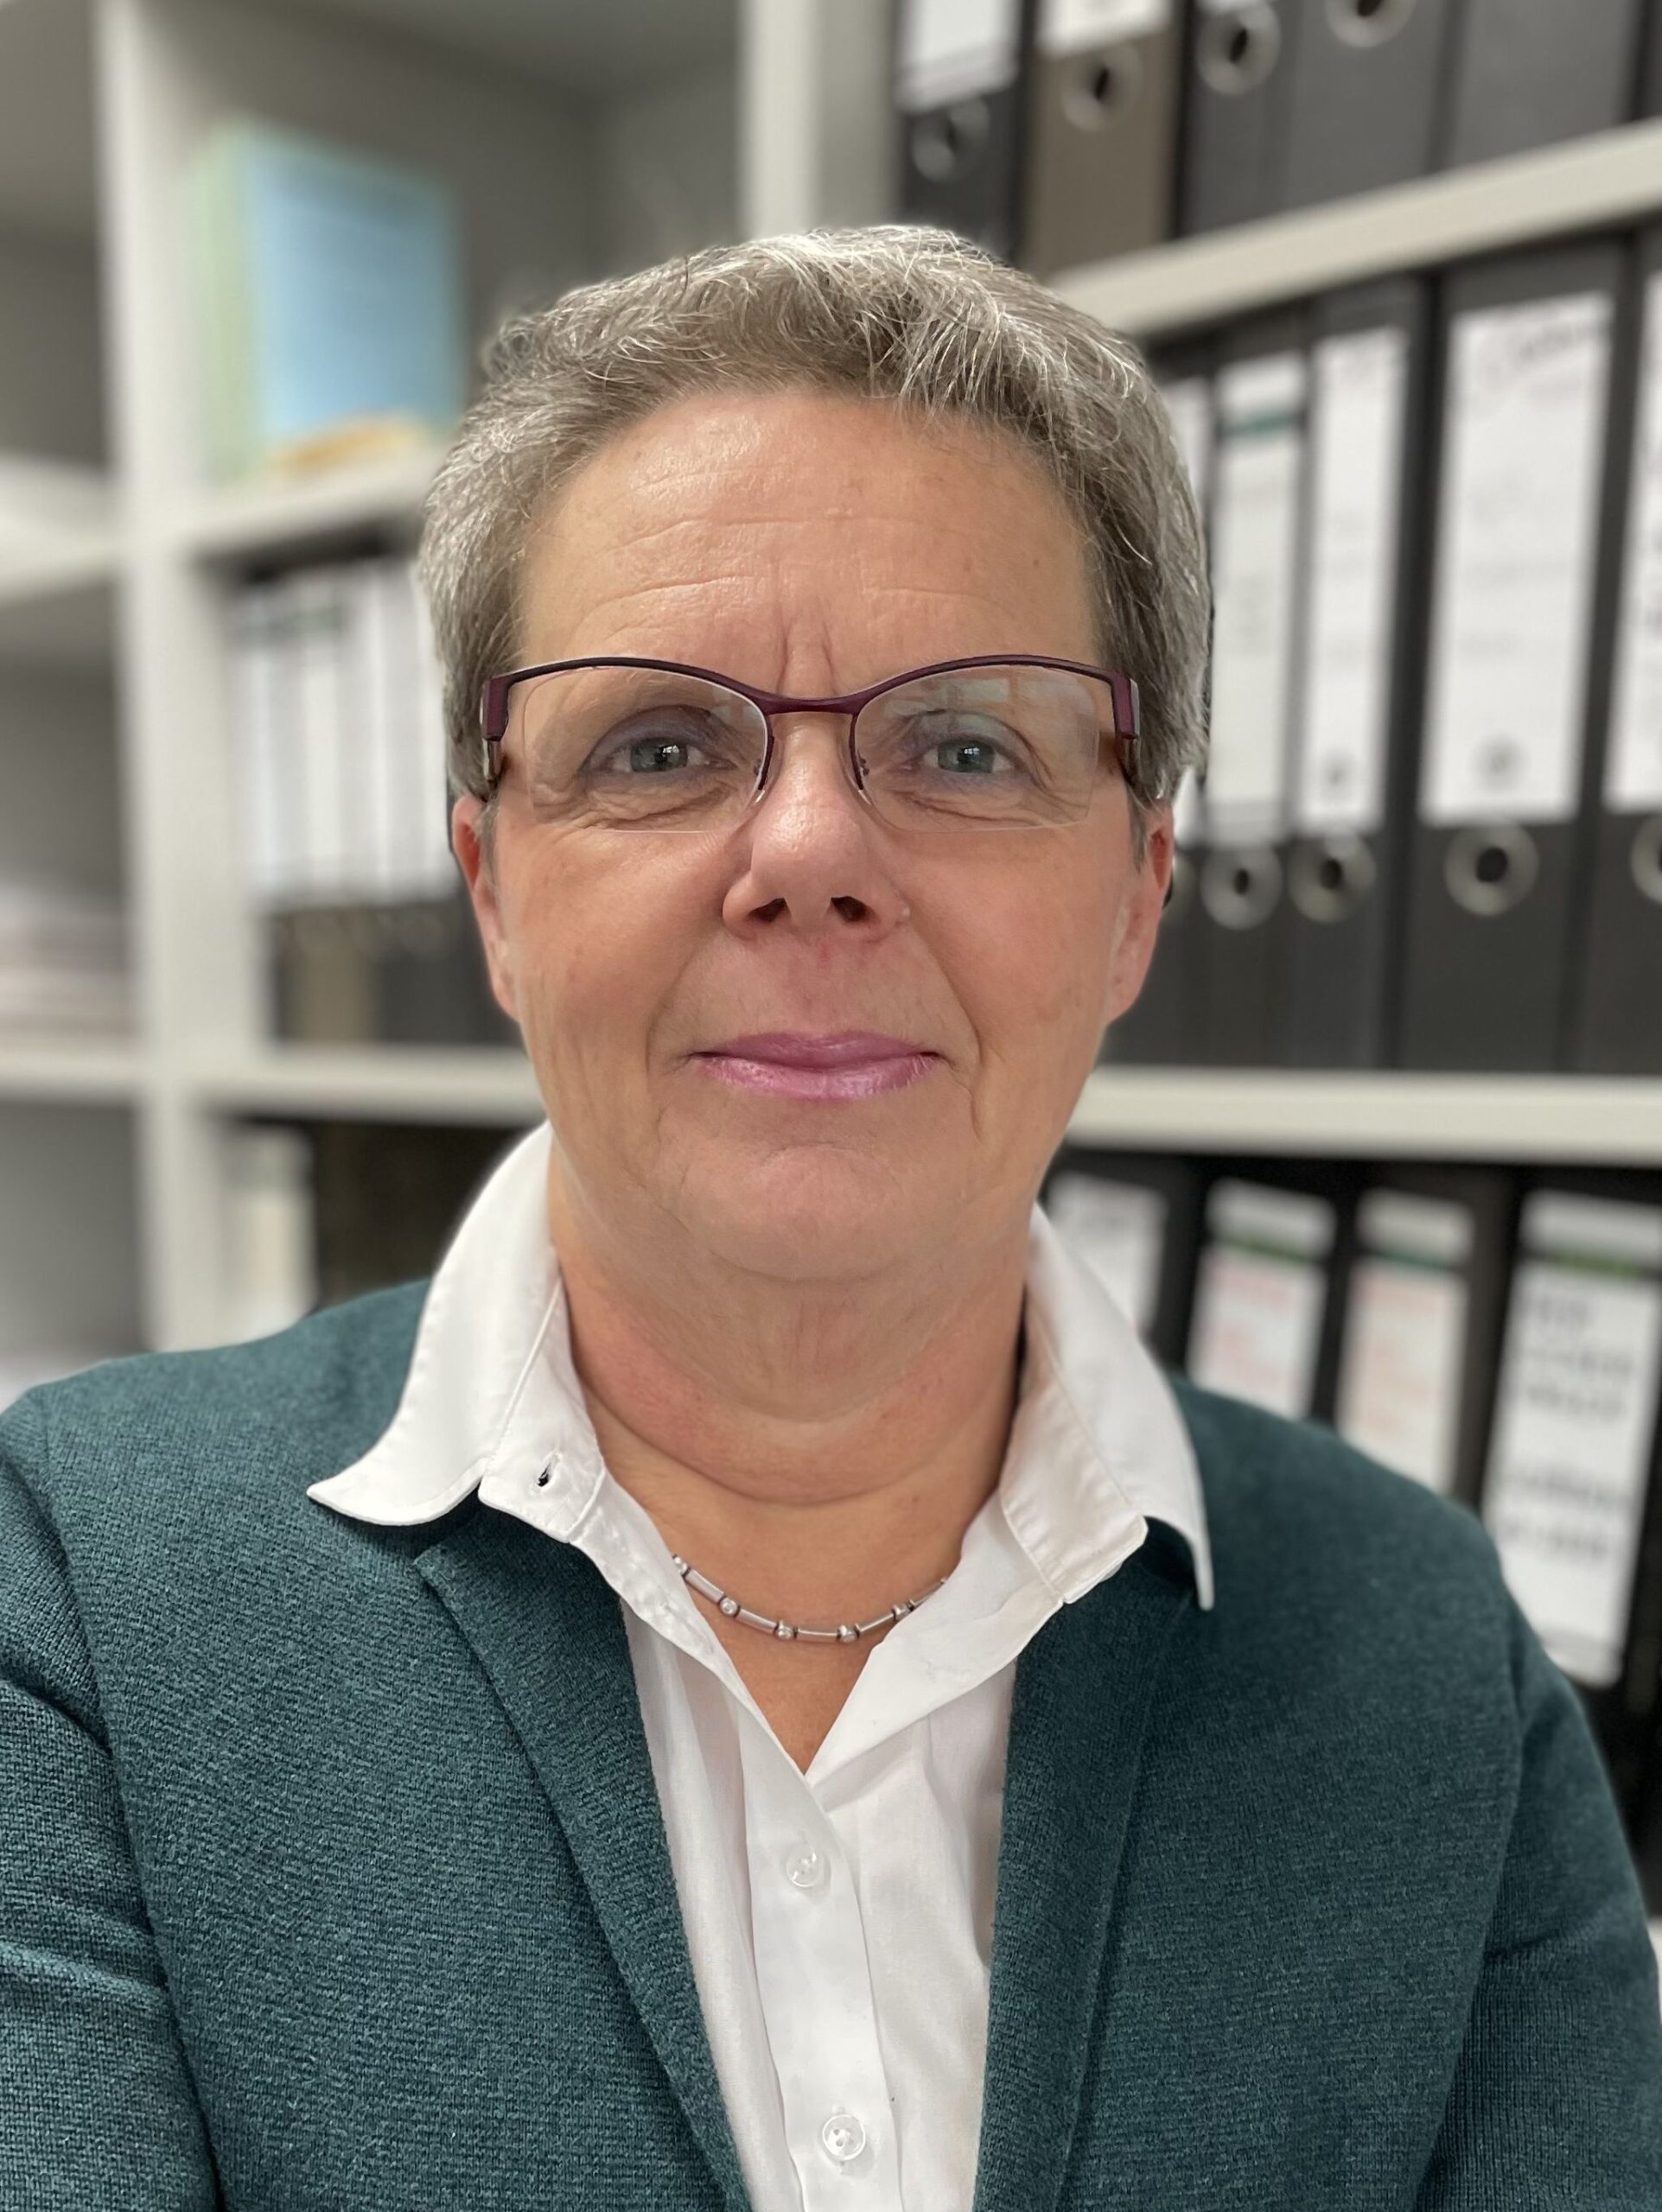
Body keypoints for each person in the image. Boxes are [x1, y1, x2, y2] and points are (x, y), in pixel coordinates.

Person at [3, 226, 1659, 2211]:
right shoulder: (79, 1596)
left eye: (963, 745)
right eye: (657, 746)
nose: (806, 852)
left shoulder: (1424, 1651)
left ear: (1136, 892)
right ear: (494, 889)